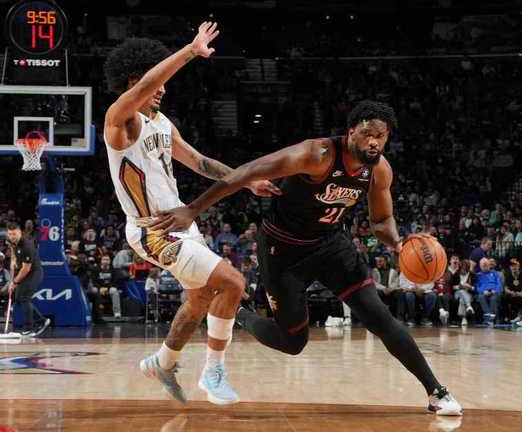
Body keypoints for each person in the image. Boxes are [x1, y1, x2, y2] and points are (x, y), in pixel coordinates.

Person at [151, 100, 462, 415]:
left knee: (379, 316)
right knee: (292, 342)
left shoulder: (379, 170)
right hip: (283, 250)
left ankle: (437, 392)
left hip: (330, 244)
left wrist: (396, 243)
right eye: (367, 134)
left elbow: (381, 221)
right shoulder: (316, 154)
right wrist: (193, 209)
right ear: (351, 132)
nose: (373, 142)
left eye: (380, 136)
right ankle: (241, 314)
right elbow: (246, 172)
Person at [102, 22, 279, 405]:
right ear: (135, 82)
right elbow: (149, 83)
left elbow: (199, 162)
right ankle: (213, 373)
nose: (163, 89)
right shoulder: (119, 121)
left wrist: (245, 181)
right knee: (233, 282)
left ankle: (163, 363)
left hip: (182, 223)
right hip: (152, 229)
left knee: (201, 299)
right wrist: (190, 51)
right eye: (157, 82)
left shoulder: (162, 123)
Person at [6, 222, 50, 336]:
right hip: (23, 271)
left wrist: (14, 282)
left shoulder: (27, 246)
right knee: (18, 298)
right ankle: (41, 321)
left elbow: (26, 269)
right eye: (10, 234)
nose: (12, 236)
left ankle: (29, 327)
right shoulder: (11, 242)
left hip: (34, 273)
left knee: (24, 298)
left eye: (14, 234)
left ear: (20, 233)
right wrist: (13, 262)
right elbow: (14, 253)